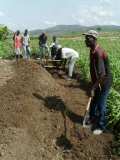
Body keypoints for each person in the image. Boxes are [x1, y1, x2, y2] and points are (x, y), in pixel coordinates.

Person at [83, 30, 112, 135]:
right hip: (98, 81)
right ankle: (92, 118)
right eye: (85, 38)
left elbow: (102, 75)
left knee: (101, 104)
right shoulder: (92, 50)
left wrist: (93, 88)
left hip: (105, 82)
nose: (85, 40)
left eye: (87, 38)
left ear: (94, 39)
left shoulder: (98, 53)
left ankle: (101, 125)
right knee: (94, 100)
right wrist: (93, 85)